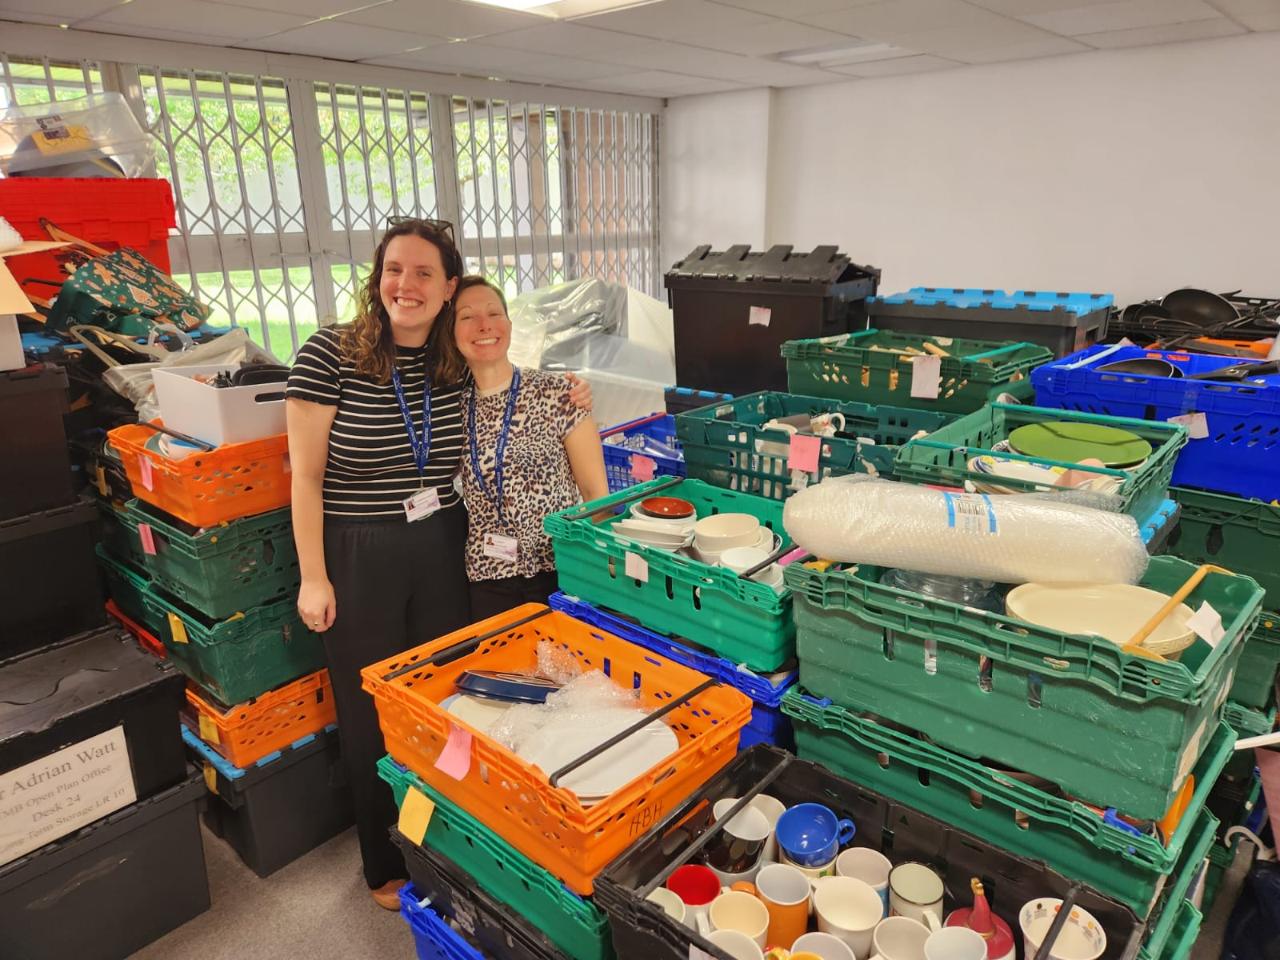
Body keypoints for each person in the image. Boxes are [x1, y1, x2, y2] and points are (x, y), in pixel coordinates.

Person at [284, 221, 589, 910]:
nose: (406, 285)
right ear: (377, 277)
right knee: (369, 708)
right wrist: (314, 575)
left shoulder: (449, 360)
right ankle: (383, 862)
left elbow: (510, 390)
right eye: (395, 269)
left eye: (424, 273)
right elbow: (303, 476)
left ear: (448, 286)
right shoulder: (330, 353)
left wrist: (573, 396)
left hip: (443, 543)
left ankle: (442, 843)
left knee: (448, 696)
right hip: (357, 549)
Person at [439, 275, 609, 620]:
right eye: (467, 317)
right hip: (490, 576)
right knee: (502, 671)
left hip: (561, 565)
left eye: (494, 313)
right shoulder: (451, 408)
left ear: (509, 324)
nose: (484, 325)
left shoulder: (558, 392)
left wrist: (602, 564)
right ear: (452, 333)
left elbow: (595, 491)